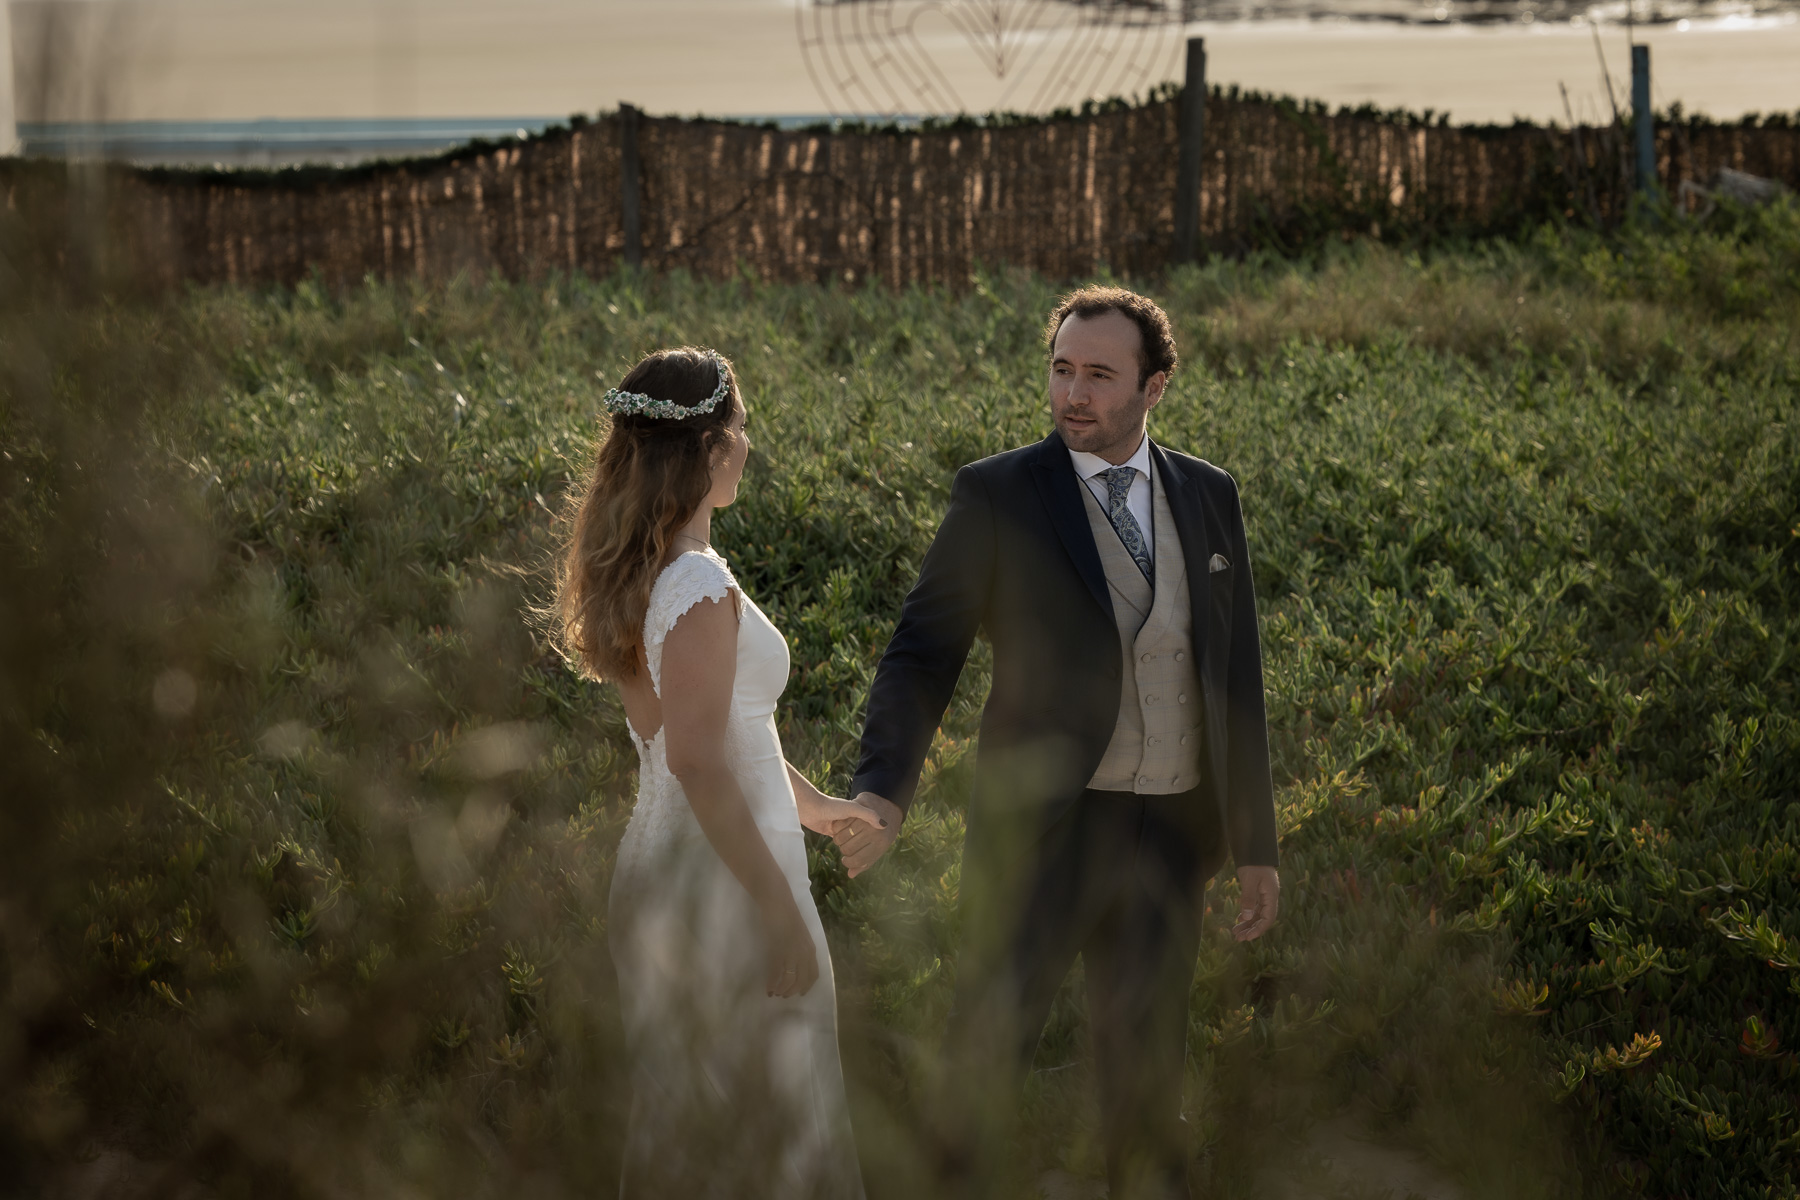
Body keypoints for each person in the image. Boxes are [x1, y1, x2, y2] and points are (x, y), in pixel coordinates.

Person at [834, 287, 1283, 1199]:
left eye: (1100, 376)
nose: (1073, 394)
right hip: (1042, 831)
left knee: (1150, 1078)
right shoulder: (998, 493)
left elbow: (1237, 675)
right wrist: (883, 787)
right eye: (1062, 370)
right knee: (986, 1059)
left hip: (1170, 833)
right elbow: (923, 652)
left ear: (1154, 387)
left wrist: (1255, 845)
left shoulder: (1208, 495)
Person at [557, 346, 876, 1199]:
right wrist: (778, 910)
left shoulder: (648, 573)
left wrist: (815, 808)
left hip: (680, 869)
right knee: (769, 1127)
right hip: (725, 887)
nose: (746, 444)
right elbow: (698, 762)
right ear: (707, 448)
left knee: (699, 1124)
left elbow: (726, 739)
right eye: (739, 427)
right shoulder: (695, 583)